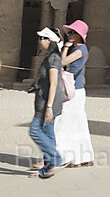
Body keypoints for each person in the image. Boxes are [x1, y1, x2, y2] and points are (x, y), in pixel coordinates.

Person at [55, 20, 95, 167]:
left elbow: (62, 62)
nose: (70, 35)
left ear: (80, 35)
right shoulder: (78, 49)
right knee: (78, 124)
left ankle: (63, 156)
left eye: (73, 33)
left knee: (63, 123)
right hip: (75, 89)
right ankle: (82, 158)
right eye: (69, 33)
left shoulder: (80, 49)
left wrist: (65, 46)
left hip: (73, 90)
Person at [29, 27, 66, 179]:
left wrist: (49, 107)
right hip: (43, 101)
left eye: (42, 38)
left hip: (47, 103)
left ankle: (55, 159)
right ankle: (47, 168)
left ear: (49, 40)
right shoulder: (50, 56)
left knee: (35, 131)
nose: (39, 41)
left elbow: (54, 83)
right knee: (48, 134)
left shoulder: (53, 58)